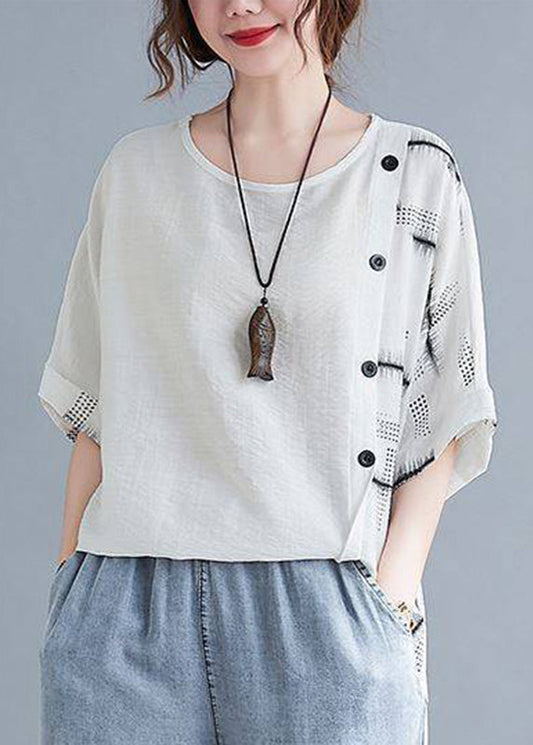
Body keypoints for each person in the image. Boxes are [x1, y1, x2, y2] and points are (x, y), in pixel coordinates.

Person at [37, 1, 498, 744]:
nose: (241, 6)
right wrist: (70, 590)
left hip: (328, 609)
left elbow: (442, 406)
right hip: (126, 606)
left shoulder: (414, 174)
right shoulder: (136, 172)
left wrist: (387, 598)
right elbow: (95, 403)